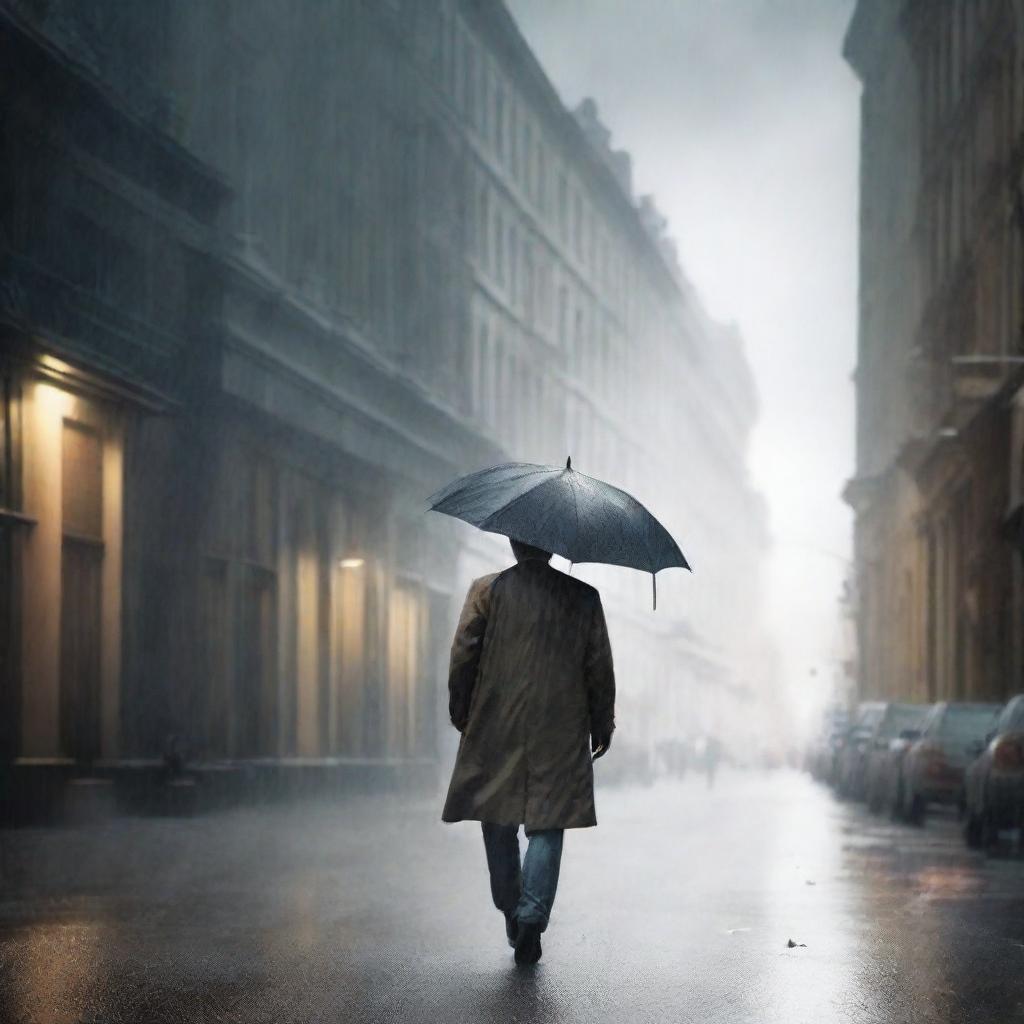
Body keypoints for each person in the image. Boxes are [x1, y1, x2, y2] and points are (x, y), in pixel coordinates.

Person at [441, 538, 616, 965]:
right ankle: (532, 916)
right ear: (553, 548)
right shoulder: (583, 598)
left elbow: (464, 654)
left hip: (496, 721)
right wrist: (601, 723)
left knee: (496, 819)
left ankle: (511, 906)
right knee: (548, 820)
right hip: (560, 725)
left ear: (513, 544)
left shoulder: (487, 590)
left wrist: (462, 711)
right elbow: (599, 666)